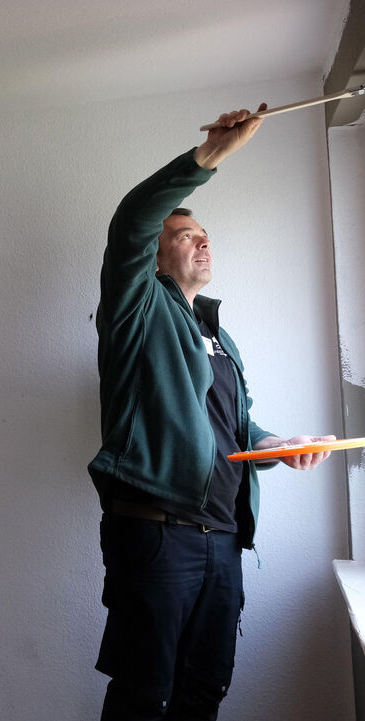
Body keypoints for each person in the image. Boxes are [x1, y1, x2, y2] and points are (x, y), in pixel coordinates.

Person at [88, 107, 334, 720]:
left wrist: (276, 444)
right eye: (184, 235)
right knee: (143, 695)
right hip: (158, 533)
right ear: (153, 258)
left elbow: (233, 424)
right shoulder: (136, 309)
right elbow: (131, 220)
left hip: (223, 537)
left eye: (205, 234)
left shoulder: (218, 337)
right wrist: (212, 155)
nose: (202, 240)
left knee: (203, 692)